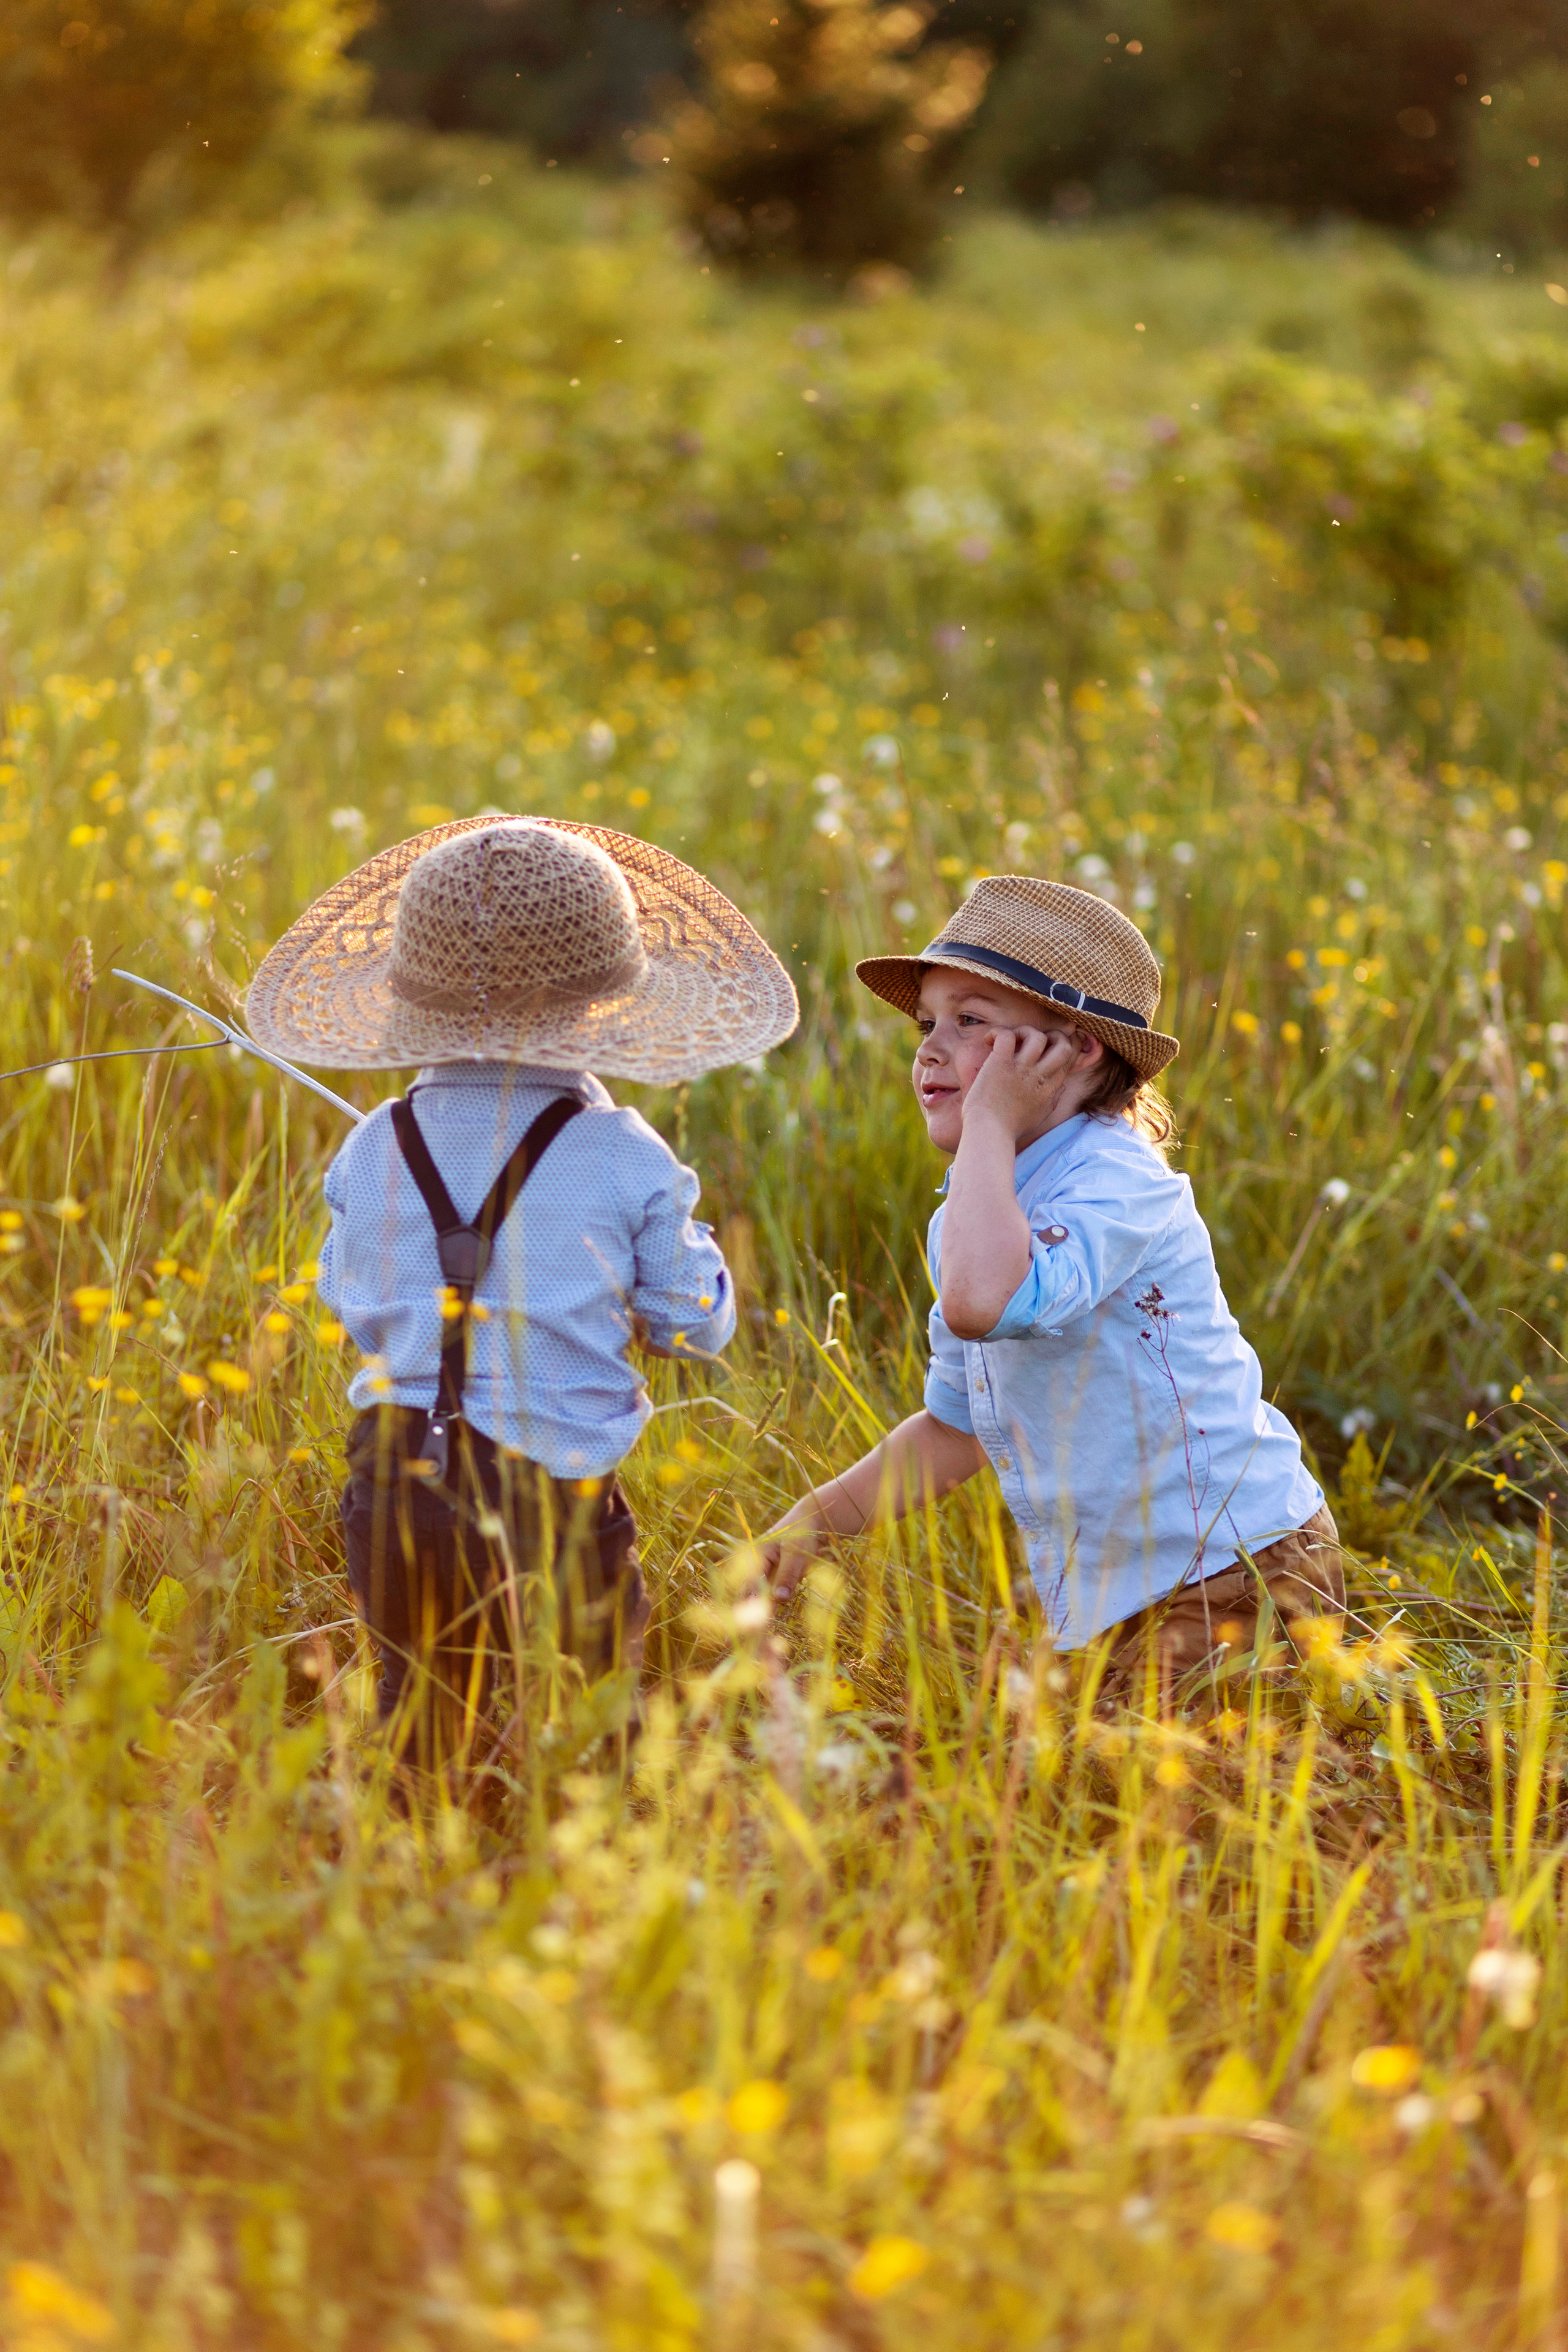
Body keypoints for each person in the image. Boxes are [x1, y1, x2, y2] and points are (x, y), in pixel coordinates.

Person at [247, 815, 797, 1760]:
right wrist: (680, 1262)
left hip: (395, 1474)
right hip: (557, 1491)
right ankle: (580, 1828)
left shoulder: (374, 1143)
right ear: (602, 1005)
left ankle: (428, 1831)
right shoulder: (622, 1152)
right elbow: (695, 1324)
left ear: (413, 997)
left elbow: (348, 1298)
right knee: (595, 1715)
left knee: (421, 1717)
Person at [760, 875, 1342, 1705]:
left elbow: (981, 1305)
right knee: (1013, 1739)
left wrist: (989, 1121)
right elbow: (956, 1429)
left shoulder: (1116, 1179)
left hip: (1236, 1565)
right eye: (927, 1024)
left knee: (1138, 1772)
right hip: (1120, 1584)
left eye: (970, 1021)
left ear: (1075, 1050)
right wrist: (814, 1520)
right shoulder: (975, 1209)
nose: (929, 1049)